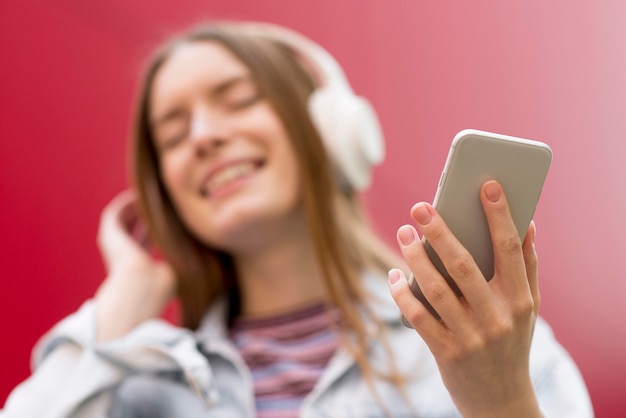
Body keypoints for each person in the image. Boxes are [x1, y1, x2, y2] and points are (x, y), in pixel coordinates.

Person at [1, 21, 593, 418]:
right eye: (174, 135)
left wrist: (504, 399)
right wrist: (119, 307)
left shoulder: (481, 343)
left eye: (238, 100)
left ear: (332, 131)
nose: (204, 137)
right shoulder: (137, 385)